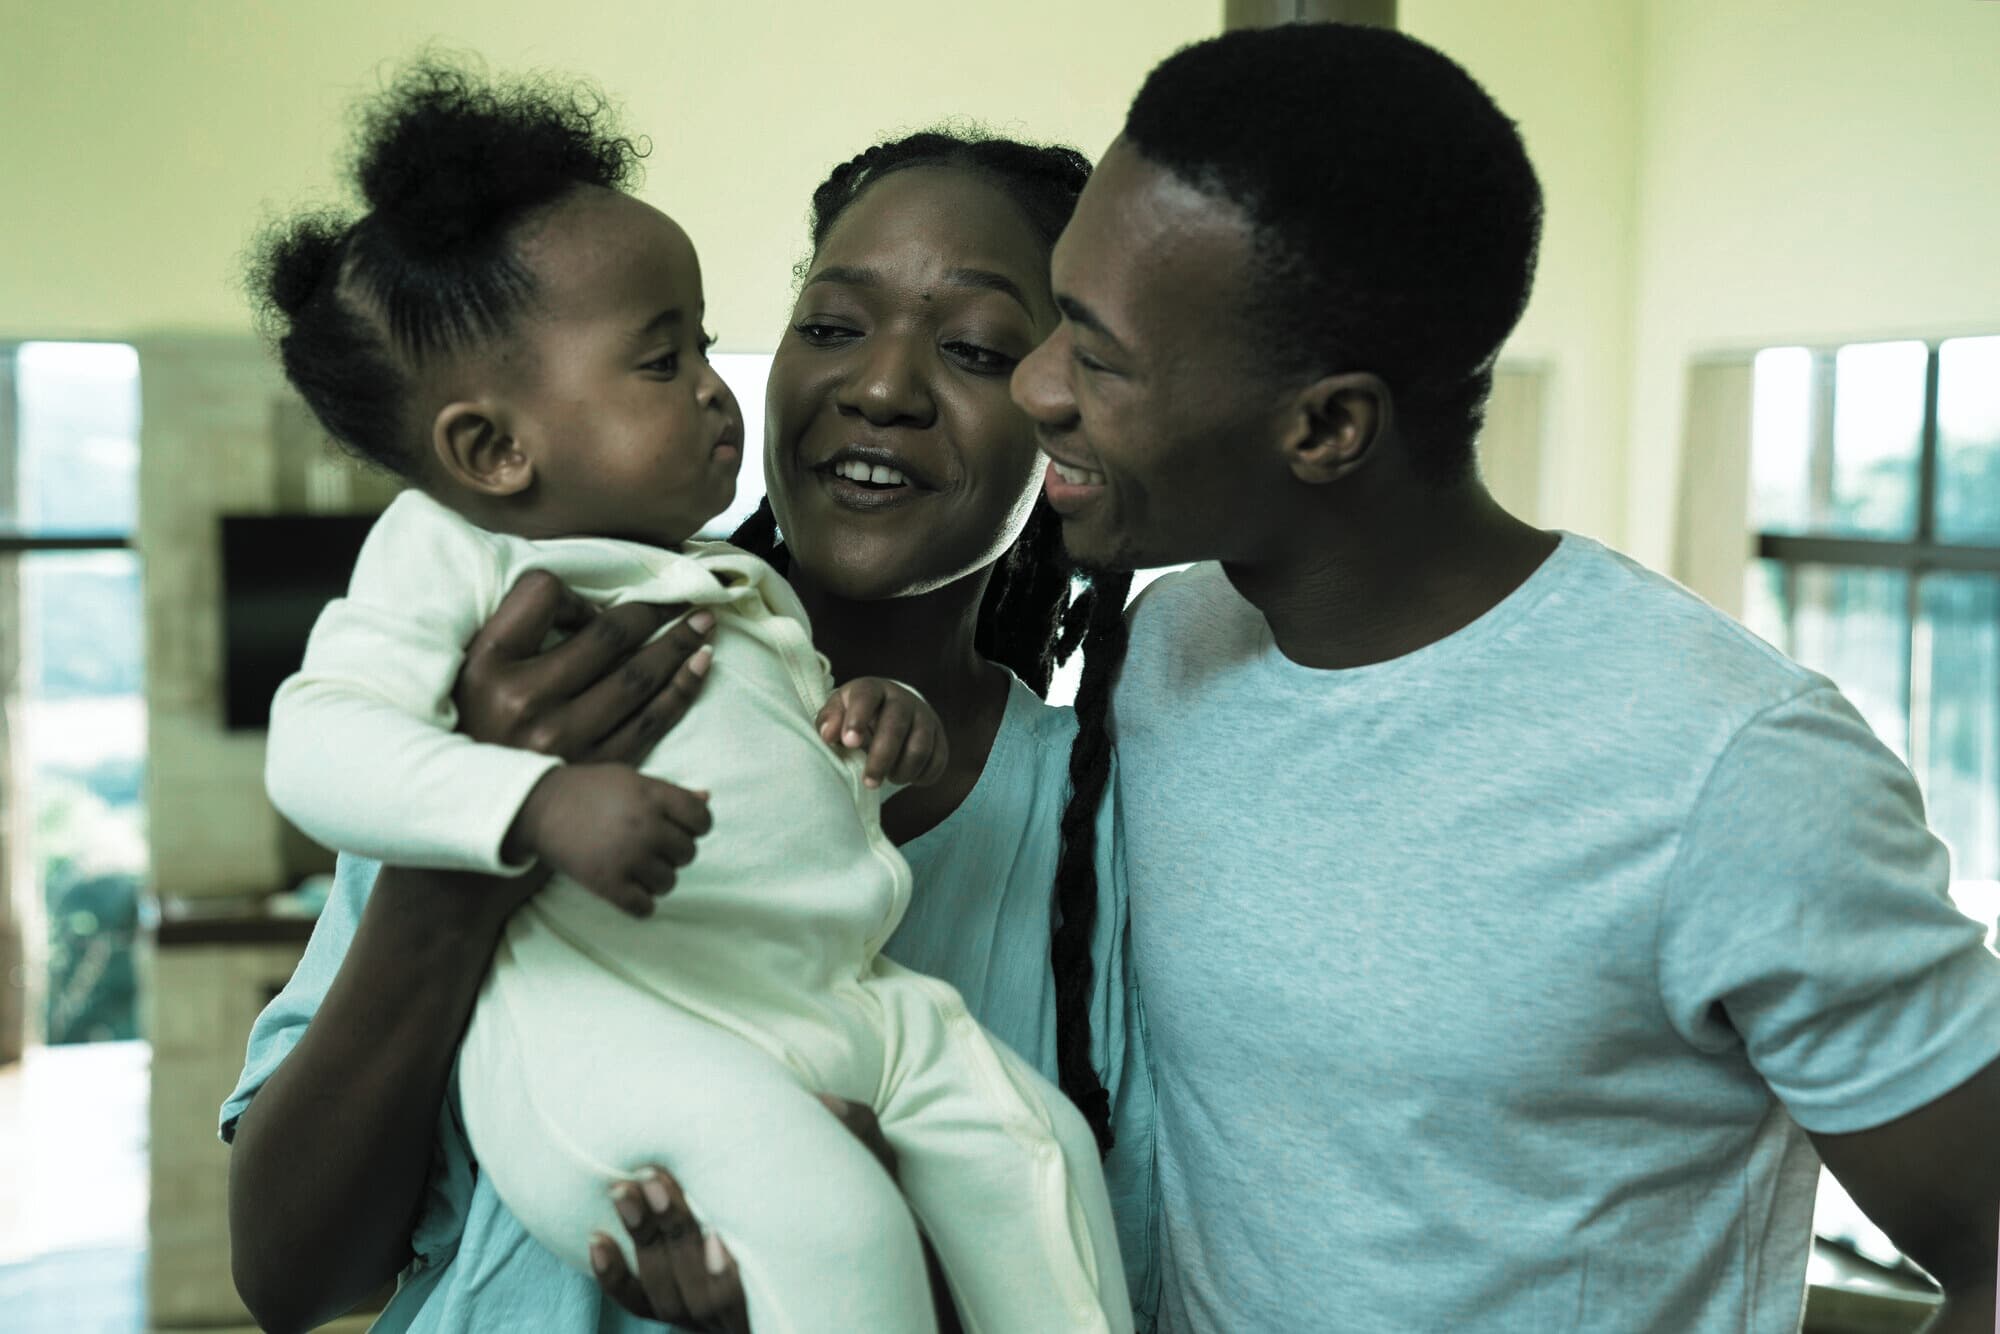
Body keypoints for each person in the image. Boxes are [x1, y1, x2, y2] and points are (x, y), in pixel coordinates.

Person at [1008, 22, 2000, 1334]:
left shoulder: (1733, 767)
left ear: (1327, 426)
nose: (1035, 386)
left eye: (1096, 355)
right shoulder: (1159, 648)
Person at [223, 102, 1159, 1334]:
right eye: (828, 326)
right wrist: (467, 867)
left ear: (1056, 402)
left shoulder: (1093, 817)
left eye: (977, 348)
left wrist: (850, 1265)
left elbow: (1098, 1260)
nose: (882, 384)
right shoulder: (526, 677)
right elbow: (294, 1273)